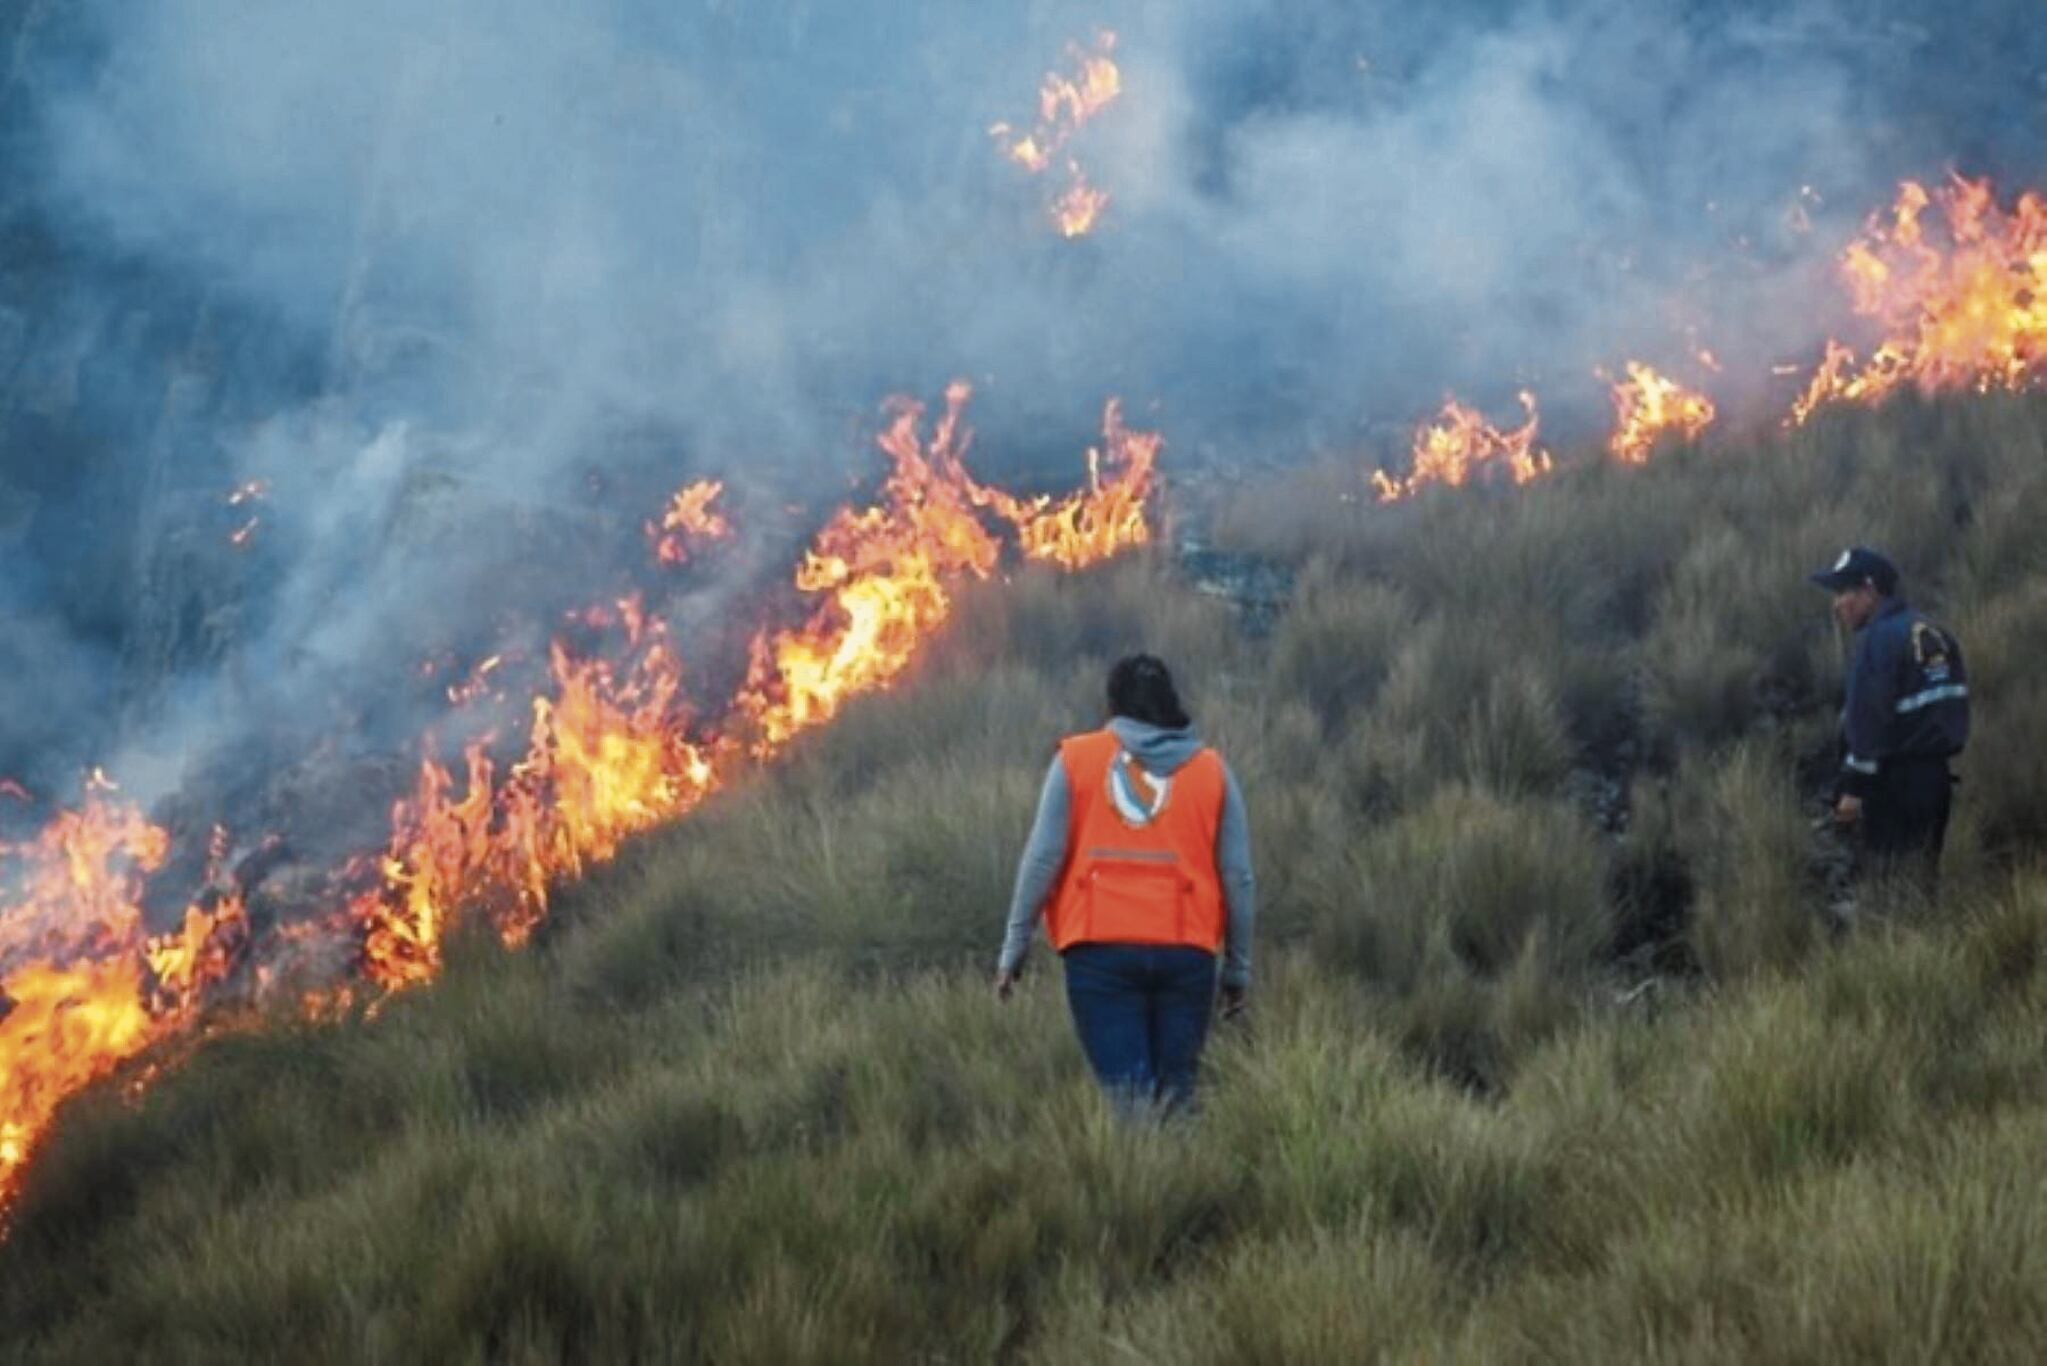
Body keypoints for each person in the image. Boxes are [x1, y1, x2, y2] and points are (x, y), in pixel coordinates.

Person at [993, 654, 1255, 1112]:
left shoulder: (1076, 759)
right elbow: (1239, 876)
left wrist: (1015, 944)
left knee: (1129, 1099)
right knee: (1177, 1099)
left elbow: (1043, 857)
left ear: (1112, 705)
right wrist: (1237, 967)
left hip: (1100, 951)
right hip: (1186, 952)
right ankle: (1179, 1179)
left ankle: (1138, 1179)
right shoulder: (1212, 770)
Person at [1809, 546, 1970, 890]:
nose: (1837, 605)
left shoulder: (1879, 641)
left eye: (1843, 592)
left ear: (1869, 589)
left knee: (1892, 894)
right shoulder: (1935, 633)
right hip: (1935, 783)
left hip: (1894, 789)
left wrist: (1853, 789)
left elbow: (1869, 722)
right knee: (1923, 880)